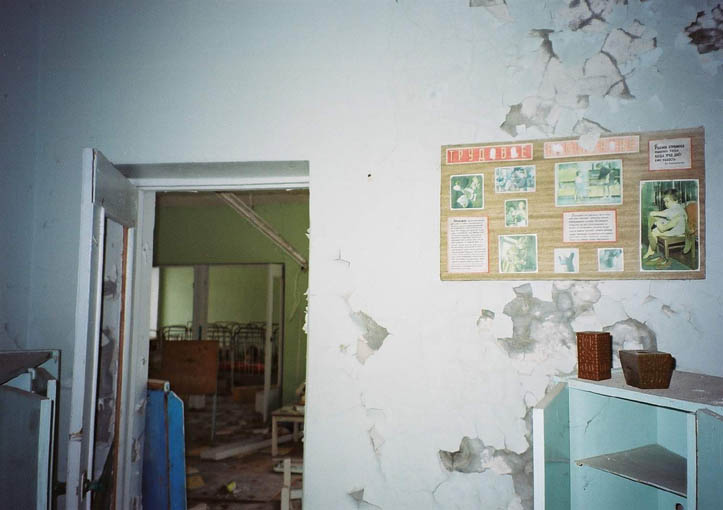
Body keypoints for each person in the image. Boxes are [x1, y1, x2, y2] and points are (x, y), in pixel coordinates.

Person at [643, 189, 687, 266]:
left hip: (677, 231)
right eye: (664, 202)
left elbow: (665, 213)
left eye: (667, 201)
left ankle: (651, 250)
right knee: (657, 223)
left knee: (655, 231)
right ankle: (651, 250)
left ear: (676, 201)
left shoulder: (675, 209)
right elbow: (667, 214)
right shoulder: (678, 207)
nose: (665, 204)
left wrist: (654, 213)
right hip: (677, 227)